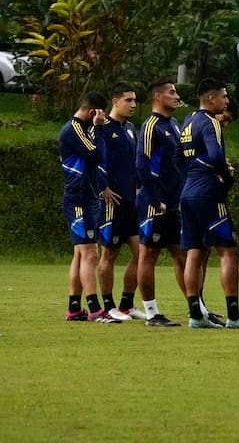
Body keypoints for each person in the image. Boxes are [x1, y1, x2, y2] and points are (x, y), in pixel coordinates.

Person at [178, 78, 239, 329]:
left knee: (195, 252)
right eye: (224, 96)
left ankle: (195, 315)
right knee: (228, 250)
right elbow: (216, 156)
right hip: (208, 193)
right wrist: (225, 177)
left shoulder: (187, 122)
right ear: (211, 99)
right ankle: (234, 315)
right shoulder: (210, 122)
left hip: (188, 192)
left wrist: (194, 171)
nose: (227, 101)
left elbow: (178, 157)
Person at [135, 80, 187, 327]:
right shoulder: (151, 126)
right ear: (157, 96)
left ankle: (196, 308)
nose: (177, 96)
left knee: (182, 255)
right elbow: (142, 165)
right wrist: (155, 199)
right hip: (155, 204)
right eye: (171, 92)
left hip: (175, 203)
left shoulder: (175, 125)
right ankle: (151, 312)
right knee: (148, 255)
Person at [60, 90, 112, 322]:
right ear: (93, 112)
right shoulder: (74, 130)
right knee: (90, 254)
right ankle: (94, 309)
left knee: (81, 254)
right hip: (79, 200)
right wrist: (100, 128)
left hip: (86, 198)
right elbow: (97, 155)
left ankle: (74, 308)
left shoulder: (83, 129)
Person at [97, 82, 144, 322]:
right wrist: (101, 186)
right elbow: (93, 158)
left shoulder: (130, 129)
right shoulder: (103, 128)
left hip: (131, 203)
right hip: (112, 203)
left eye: (135, 100)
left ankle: (126, 304)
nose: (133, 105)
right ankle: (108, 306)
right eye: (128, 100)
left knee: (141, 254)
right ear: (115, 101)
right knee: (109, 255)